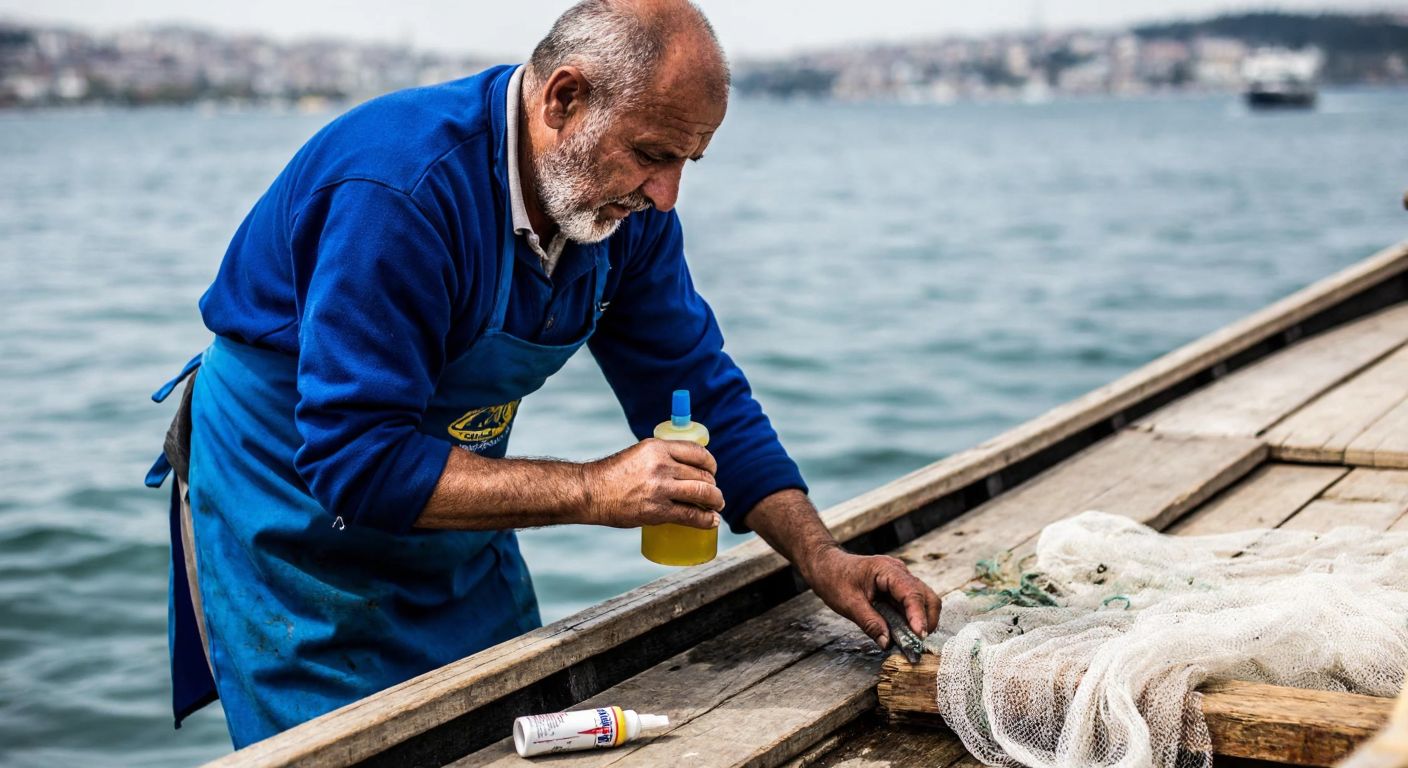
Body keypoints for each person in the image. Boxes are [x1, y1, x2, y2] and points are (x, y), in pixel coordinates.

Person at [146, 0, 941, 748]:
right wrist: (596, 491)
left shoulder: (626, 215)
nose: (667, 195)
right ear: (563, 99)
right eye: (653, 155)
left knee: (513, 728)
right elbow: (354, 459)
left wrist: (822, 558)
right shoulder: (398, 191)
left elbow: (699, 387)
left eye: (688, 161)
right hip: (291, 520)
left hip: (453, 515)